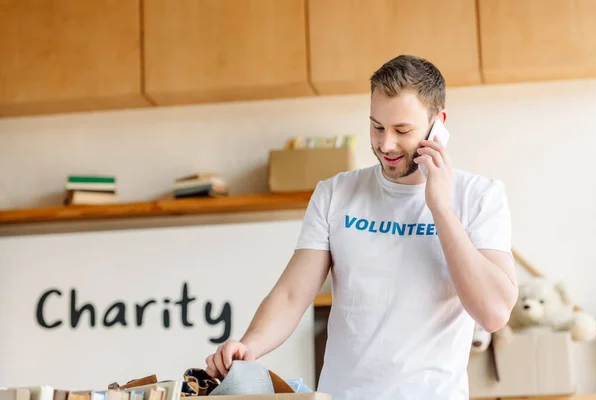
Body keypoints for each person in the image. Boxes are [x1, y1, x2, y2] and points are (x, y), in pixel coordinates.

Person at [203, 54, 518, 399]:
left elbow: (494, 313)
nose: (386, 145)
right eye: (377, 126)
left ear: (437, 125)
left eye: (403, 130)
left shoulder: (480, 196)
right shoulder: (335, 193)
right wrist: (249, 345)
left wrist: (440, 207)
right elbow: (292, 295)